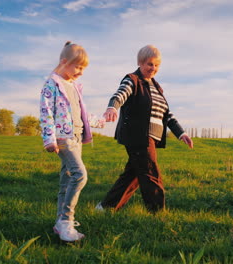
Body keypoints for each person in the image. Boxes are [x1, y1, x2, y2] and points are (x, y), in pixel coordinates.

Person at [96, 44, 193, 213]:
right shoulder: (132, 80)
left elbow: (166, 114)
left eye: (156, 65)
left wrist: (181, 133)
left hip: (151, 137)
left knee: (133, 175)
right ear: (140, 63)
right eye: (149, 64)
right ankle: (157, 212)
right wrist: (112, 107)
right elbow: (120, 94)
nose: (153, 68)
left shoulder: (156, 87)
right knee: (150, 172)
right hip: (138, 135)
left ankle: (106, 207)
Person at [39, 41, 105, 242]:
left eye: (83, 68)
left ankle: (59, 223)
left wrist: (99, 121)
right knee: (80, 175)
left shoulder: (74, 86)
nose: (81, 72)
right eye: (78, 67)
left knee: (66, 180)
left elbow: (80, 113)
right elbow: (46, 113)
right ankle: (67, 220)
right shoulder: (52, 84)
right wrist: (49, 138)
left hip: (76, 138)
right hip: (63, 139)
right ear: (64, 62)